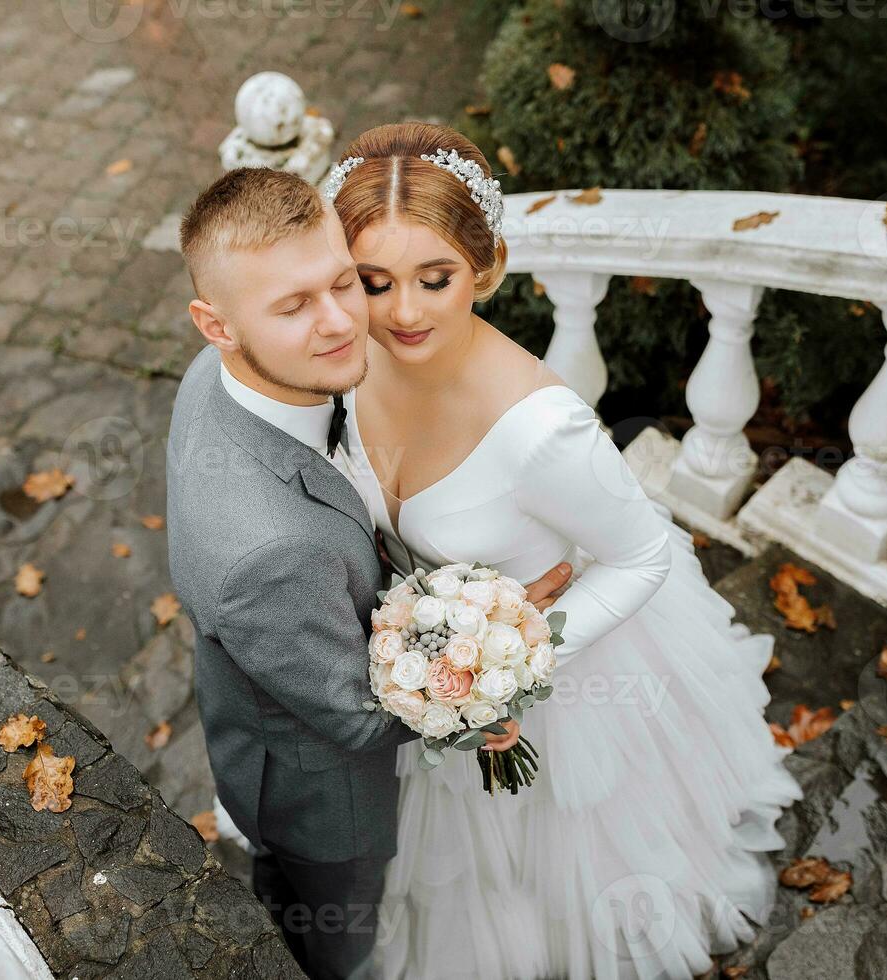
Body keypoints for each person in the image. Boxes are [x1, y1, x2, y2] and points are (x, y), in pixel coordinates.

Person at [325, 122, 806, 979]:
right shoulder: (349, 359)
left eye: (435, 280)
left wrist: (510, 659)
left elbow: (642, 557)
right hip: (425, 670)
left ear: (489, 268)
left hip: (548, 686)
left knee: (547, 871)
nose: (402, 312)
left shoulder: (543, 432)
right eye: (374, 282)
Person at [165, 166, 571, 980]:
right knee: (336, 937)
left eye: (343, 282)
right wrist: (485, 659)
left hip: (268, 694)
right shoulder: (268, 553)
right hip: (327, 799)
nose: (342, 322)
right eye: (293, 307)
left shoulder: (219, 377)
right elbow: (356, 718)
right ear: (216, 325)